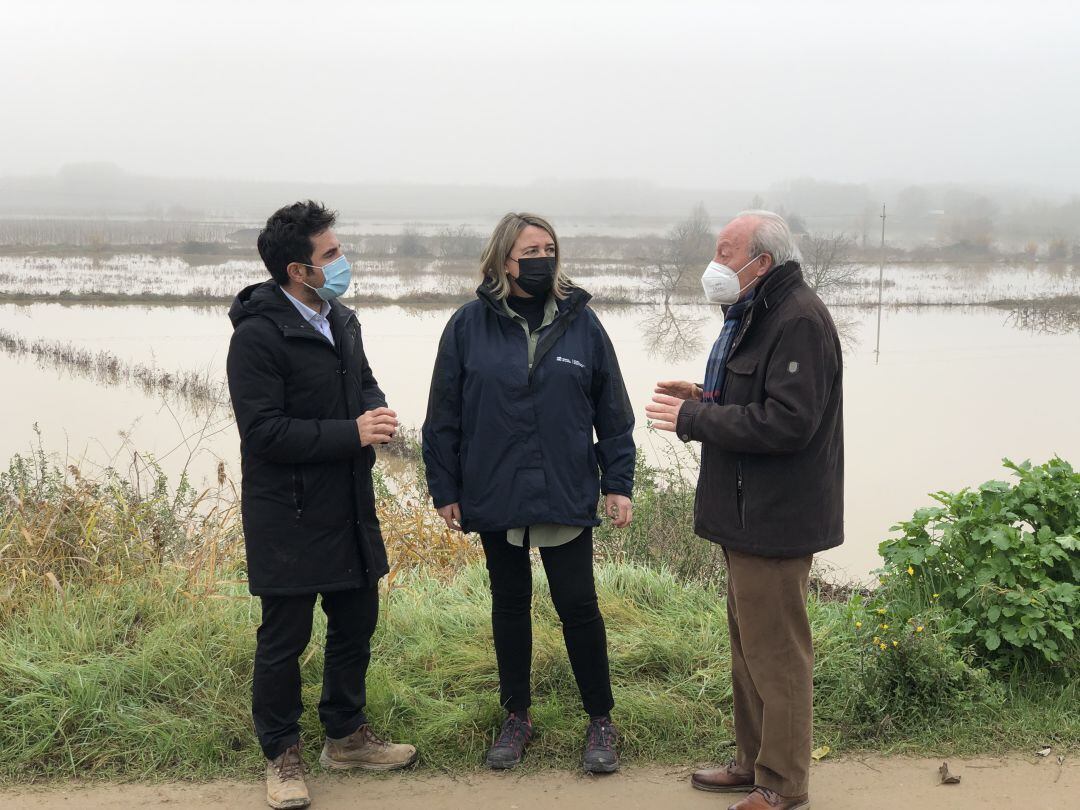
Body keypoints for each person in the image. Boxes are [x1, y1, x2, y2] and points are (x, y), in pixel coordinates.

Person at [422, 212, 636, 773]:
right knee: (509, 605)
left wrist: (618, 483)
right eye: (529, 250)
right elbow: (442, 416)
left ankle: (601, 721)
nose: (542, 259)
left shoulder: (583, 326)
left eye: (549, 249)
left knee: (578, 606)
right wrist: (444, 487)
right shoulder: (467, 326)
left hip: (564, 488)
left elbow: (613, 412)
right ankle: (517, 716)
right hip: (494, 490)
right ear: (502, 261)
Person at [645, 211, 843, 810]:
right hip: (746, 515)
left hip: (777, 519)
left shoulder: (798, 319)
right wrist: (706, 398)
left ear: (762, 261)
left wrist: (696, 420)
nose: (716, 264)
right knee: (748, 647)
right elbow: (759, 400)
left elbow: (789, 422)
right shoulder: (756, 313)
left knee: (777, 655)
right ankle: (752, 763)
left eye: (726, 252)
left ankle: (782, 785)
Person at [227, 200, 416, 810]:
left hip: (347, 501)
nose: (342, 262)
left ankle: (346, 735)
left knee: (356, 620)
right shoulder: (258, 335)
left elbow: (361, 382)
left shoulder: (343, 319)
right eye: (330, 255)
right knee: (286, 636)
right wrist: (351, 433)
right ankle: (281, 754)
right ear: (296, 270)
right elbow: (264, 433)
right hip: (287, 511)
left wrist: (377, 411)